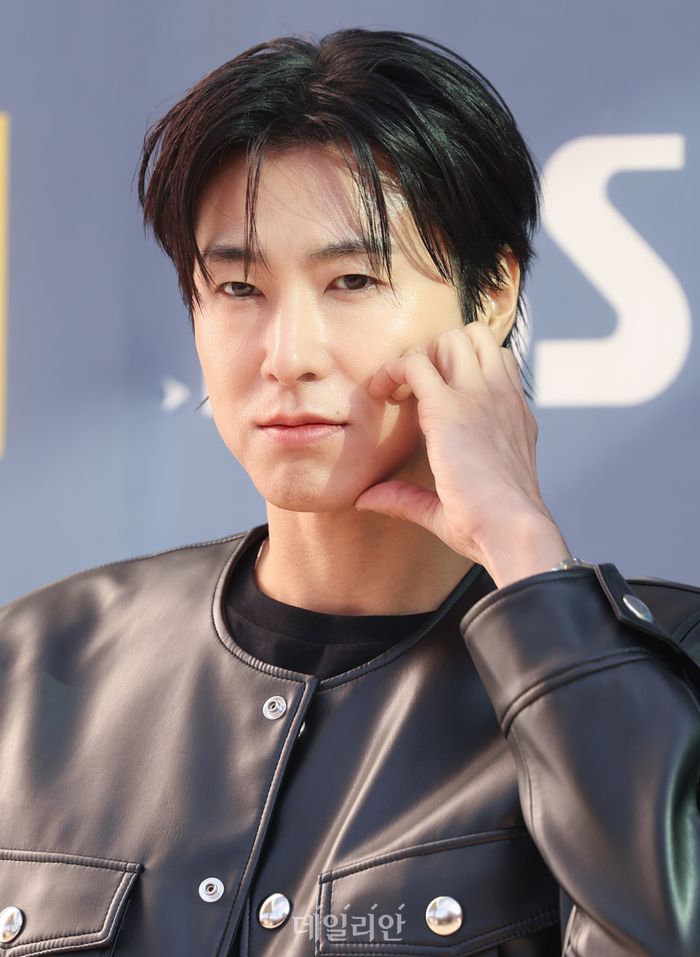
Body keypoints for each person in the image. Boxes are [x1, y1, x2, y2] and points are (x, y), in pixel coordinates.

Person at [1, 26, 699, 957]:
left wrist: (526, 553)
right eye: (238, 288)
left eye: (354, 280)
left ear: (493, 294)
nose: (287, 355)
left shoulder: (657, 679)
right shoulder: (31, 667)